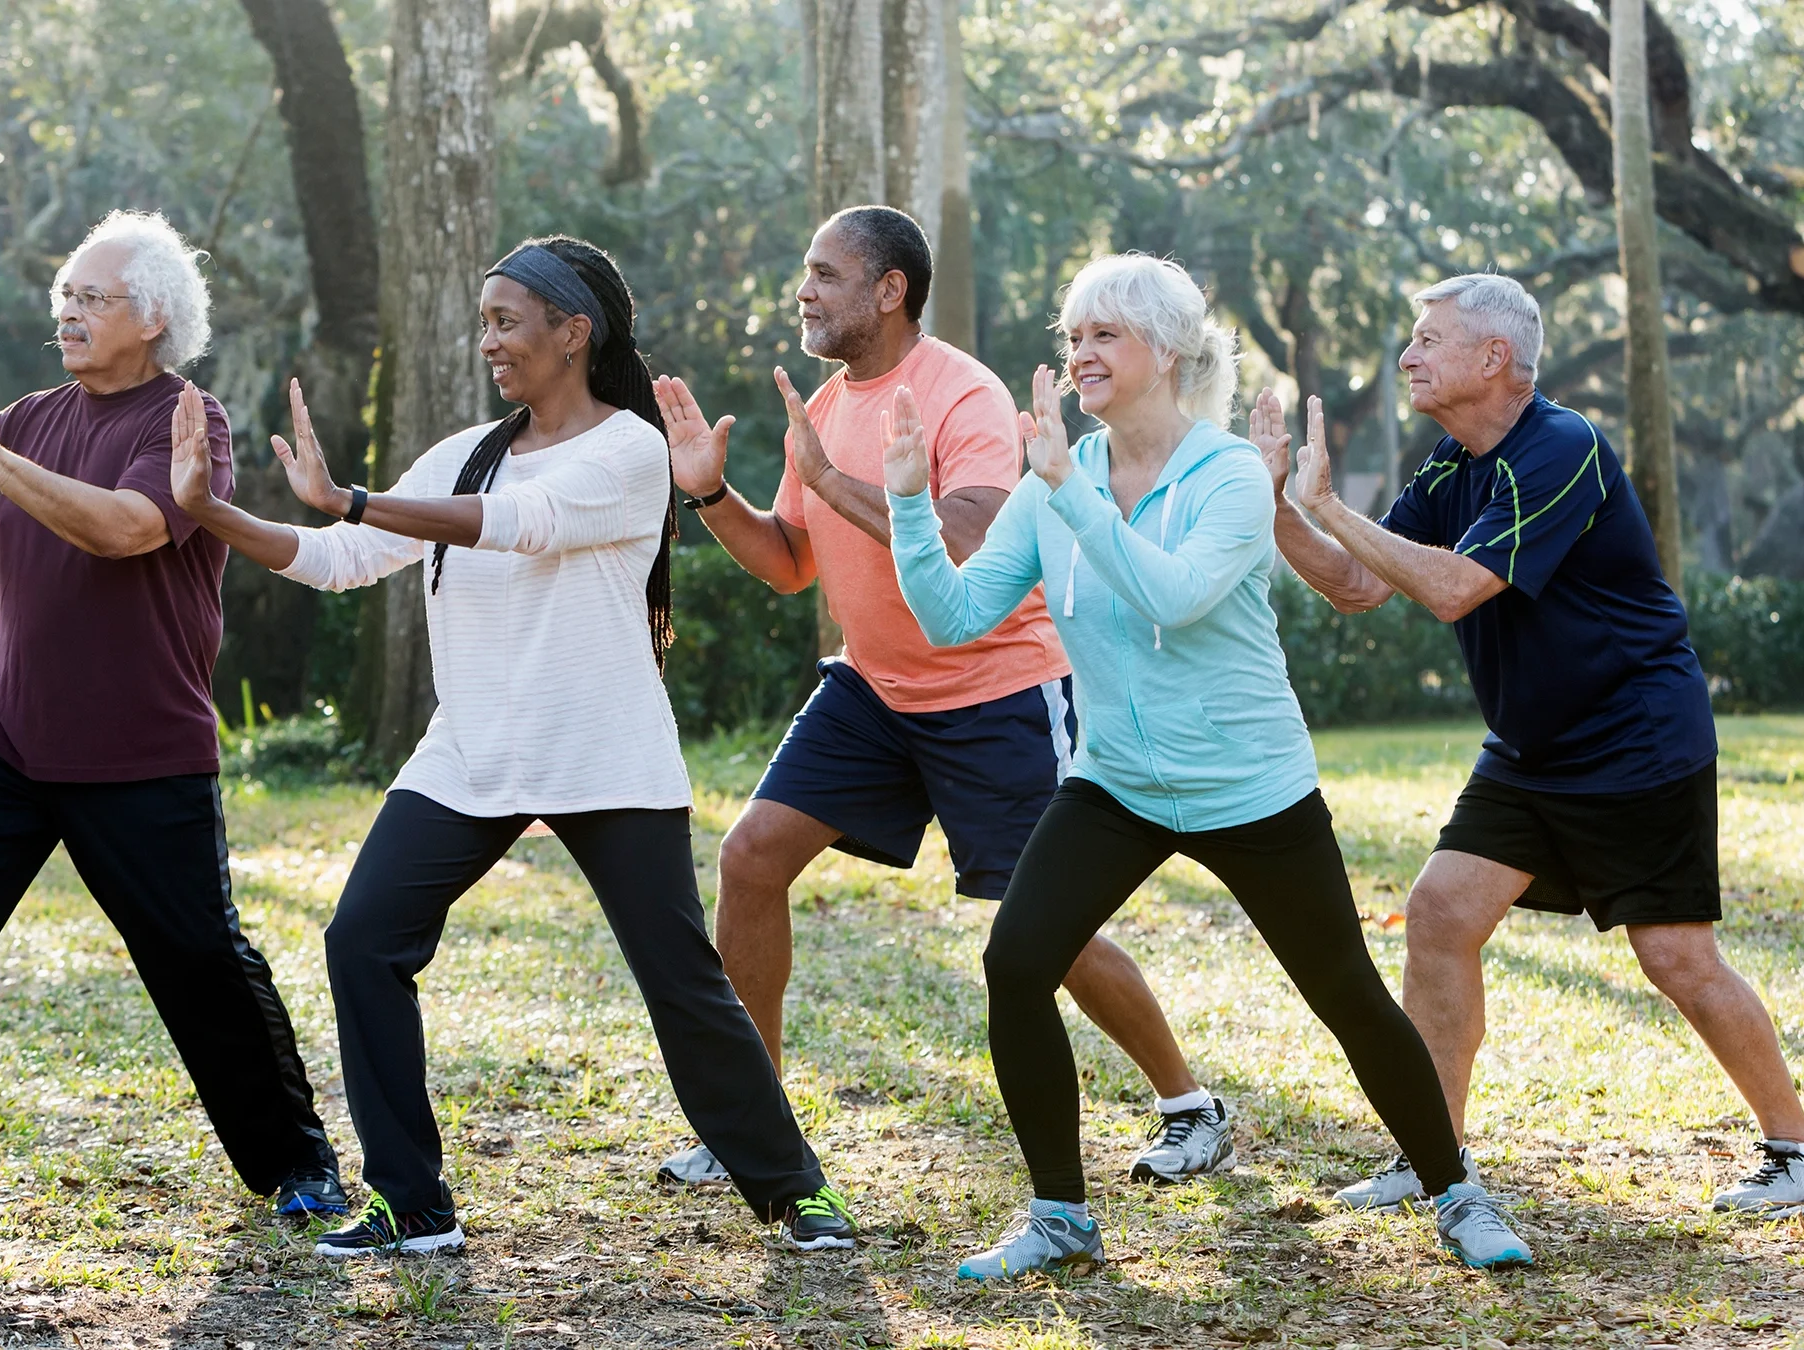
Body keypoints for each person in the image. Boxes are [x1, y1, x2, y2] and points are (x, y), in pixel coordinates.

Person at [167, 235, 858, 1256]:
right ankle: (412, 1201)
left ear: (572, 333)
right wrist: (212, 511)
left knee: (682, 980)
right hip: (472, 754)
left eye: (507, 321)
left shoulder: (628, 451)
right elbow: (344, 558)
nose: (488, 341)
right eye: (483, 320)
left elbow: (519, 525)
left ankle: (793, 1190)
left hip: (602, 751)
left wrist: (351, 494)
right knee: (362, 941)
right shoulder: (465, 451)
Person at [883, 253, 1533, 1277]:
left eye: (1106, 334)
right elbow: (954, 615)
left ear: (1170, 353)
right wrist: (910, 505)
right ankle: (1060, 1216)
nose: (1081, 354)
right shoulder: (1059, 476)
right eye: (1073, 337)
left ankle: (1457, 1192)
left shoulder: (1228, 473)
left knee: (1347, 996)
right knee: (1016, 965)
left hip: (1250, 787)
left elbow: (1173, 598)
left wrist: (1067, 490)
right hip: (1118, 785)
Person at [652, 206, 1231, 1190]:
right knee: (751, 858)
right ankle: (752, 1121)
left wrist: (832, 483)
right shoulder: (827, 410)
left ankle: (1189, 1106)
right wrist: (710, 495)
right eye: (807, 272)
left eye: (825, 273)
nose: (806, 292)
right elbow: (792, 564)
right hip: (875, 690)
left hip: (993, 689)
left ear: (890, 289)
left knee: (1047, 927)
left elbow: (965, 533)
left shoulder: (959, 390)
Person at [0, 211, 347, 1226]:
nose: (68, 312)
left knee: (199, 959)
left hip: (141, 750)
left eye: (90, 298)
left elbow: (129, 530)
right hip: (0, 734)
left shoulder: (190, 421)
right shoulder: (22, 420)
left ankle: (297, 1163)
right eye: (64, 297)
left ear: (153, 318)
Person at [1269, 272, 1804, 1219]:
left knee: (1677, 959)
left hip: (1635, 736)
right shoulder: (1451, 465)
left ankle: (1798, 1151)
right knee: (1442, 912)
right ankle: (1434, 1155)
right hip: (1532, 746)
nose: (1407, 356)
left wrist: (1330, 507)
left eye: (1427, 339)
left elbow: (1454, 588)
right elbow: (1359, 585)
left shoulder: (1560, 446)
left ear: (1494, 357)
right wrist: (1279, 507)